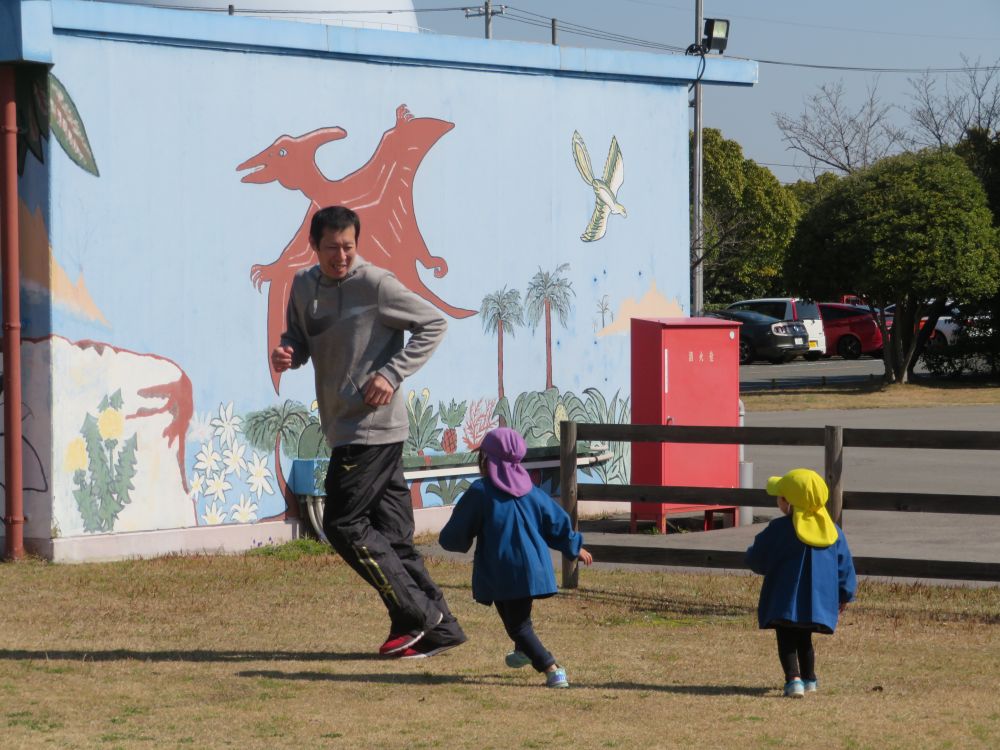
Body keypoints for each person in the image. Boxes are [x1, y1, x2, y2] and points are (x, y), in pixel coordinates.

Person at [271, 205, 466, 659]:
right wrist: (288, 351)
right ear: (313, 246)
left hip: (374, 426)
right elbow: (300, 336)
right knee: (394, 537)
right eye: (332, 248)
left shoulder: (376, 284)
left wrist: (392, 373)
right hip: (342, 425)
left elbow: (434, 323)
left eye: (349, 247)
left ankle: (421, 616)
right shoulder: (302, 286)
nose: (342, 256)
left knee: (342, 523)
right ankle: (442, 628)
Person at [438, 427, 593, 688]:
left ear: (488, 460)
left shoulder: (481, 492)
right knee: (518, 618)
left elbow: (459, 528)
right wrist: (573, 545)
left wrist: (451, 540)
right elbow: (556, 521)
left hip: (503, 572)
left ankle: (552, 669)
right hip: (533, 571)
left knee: (518, 625)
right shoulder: (532, 492)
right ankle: (523, 649)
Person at [745, 468, 857, 698]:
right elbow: (844, 565)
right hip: (816, 602)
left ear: (787, 502)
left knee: (786, 637)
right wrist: (845, 594)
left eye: (779, 496)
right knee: (805, 639)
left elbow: (758, 558)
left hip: (783, 598)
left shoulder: (779, 529)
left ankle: (793, 679)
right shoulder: (833, 532)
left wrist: (752, 558)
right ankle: (810, 679)